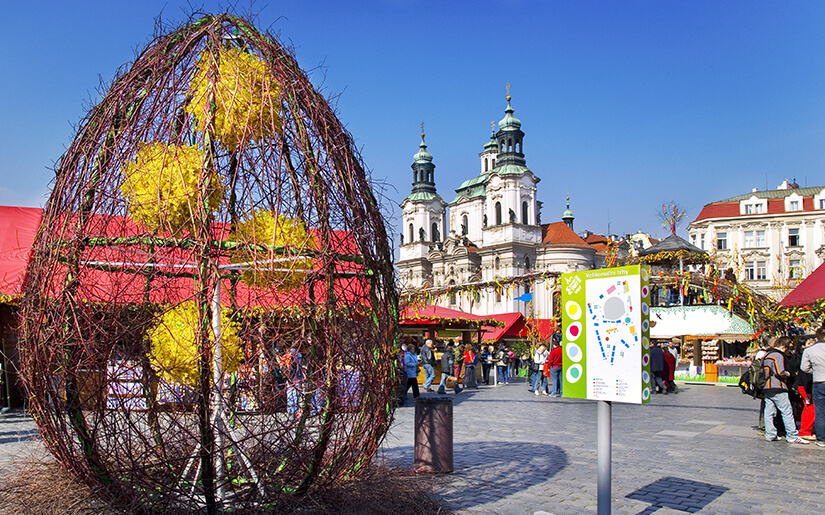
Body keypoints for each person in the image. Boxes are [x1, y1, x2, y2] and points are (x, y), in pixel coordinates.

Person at [762, 337, 808, 444]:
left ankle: (770, 434)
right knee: (786, 411)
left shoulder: (766, 355)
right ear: (783, 347)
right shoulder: (777, 355)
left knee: (769, 411)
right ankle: (792, 435)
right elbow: (780, 372)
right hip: (777, 386)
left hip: (767, 386)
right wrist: (789, 374)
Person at [800, 326, 825, 447]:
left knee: (820, 412)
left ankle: (821, 439)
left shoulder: (809, 350)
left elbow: (804, 368)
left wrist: (815, 370)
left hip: (819, 381)